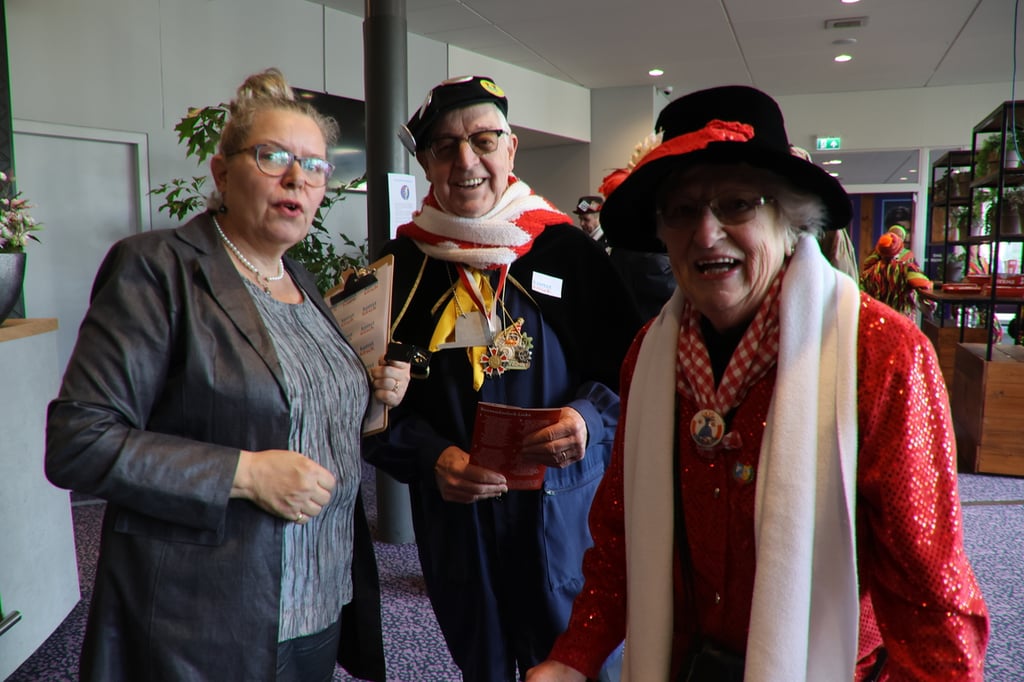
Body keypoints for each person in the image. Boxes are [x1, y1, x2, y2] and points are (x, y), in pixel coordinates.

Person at [527, 85, 989, 681]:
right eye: (682, 210)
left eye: (737, 204)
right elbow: (621, 545)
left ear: (789, 216)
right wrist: (574, 658)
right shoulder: (648, 355)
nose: (706, 234)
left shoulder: (881, 354)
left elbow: (931, 601)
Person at [44, 68, 410, 682]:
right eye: (273, 157)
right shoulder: (157, 269)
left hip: (322, 598)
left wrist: (368, 399)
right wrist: (246, 474)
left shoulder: (302, 280)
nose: (297, 178)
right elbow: (79, 442)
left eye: (315, 166)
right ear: (221, 173)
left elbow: (295, 411)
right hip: (209, 617)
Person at [366, 75, 643, 681]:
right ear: (426, 164)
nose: (466, 160)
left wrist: (586, 420)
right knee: (483, 667)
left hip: (559, 516)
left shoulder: (568, 253)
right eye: (445, 146)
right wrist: (431, 457)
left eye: (484, 140)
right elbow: (367, 408)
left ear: (510, 148)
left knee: (573, 665)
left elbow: (632, 376)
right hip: (458, 522)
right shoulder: (399, 267)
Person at [859, 224, 934, 317]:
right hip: (902, 319)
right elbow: (924, 285)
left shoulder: (869, 273)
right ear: (899, 248)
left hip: (879, 317)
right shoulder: (906, 269)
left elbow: (861, 295)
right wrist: (929, 306)